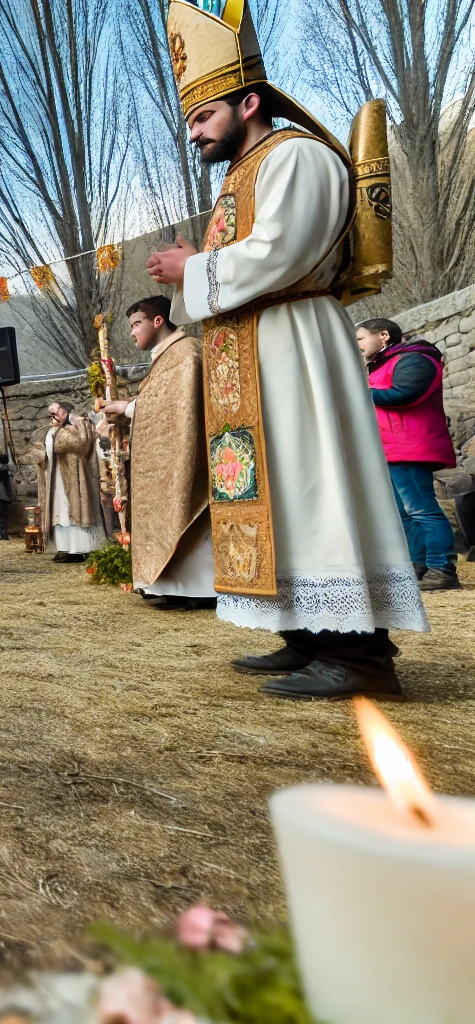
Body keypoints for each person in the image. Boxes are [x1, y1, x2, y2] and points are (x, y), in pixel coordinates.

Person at [146, 0, 427, 699]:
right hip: (257, 354)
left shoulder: (295, 156)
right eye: (189, 122)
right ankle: (307, 635)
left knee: (316, 487)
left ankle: (361, 654)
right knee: (280, 496)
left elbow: (281, 253)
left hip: (298, 345)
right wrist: (196, 274)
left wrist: (194, 271)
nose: (195, 133)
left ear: (248, 101)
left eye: (203, 116)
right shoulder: (238, 178)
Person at [100, 296, 216, 610]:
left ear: (157, 321)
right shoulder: (164, 357)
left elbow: (178, 404)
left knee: (188, 519)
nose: (133, 332)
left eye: (137, 324)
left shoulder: (186, 350)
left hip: (188, 457)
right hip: (161, 460)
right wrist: (126, 414)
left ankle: (200, 589)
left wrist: (129, 407)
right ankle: (173, 585)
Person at [358, 318, 459, 591]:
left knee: (422, 508)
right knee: (403, 512)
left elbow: (404, 394)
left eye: (360, 339)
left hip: (409, 445)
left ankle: (442, 567)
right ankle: (419, 565)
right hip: (390, 448)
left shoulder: (415, 359)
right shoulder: (382, 364)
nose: (357, 345)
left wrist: (357, 393)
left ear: (383, 336)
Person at [22, 402, 105, 563]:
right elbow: (46, 453)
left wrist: (58, 438)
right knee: (59, 512)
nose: (52, 416)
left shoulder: (78, 424)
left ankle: (80, 548)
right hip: (56, 478)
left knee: (75, 510)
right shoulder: (53, 431)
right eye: (50, 414)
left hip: (74, 477)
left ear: (65, 411)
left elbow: (81, 444)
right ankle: (64, 547)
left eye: (55, 412)